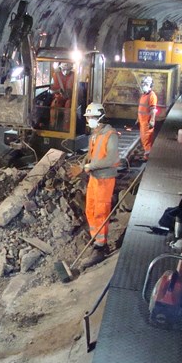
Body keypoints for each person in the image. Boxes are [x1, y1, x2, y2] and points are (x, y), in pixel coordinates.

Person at [67, 103, 120, 268]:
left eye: (92, 117)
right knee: (90, 209)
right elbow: (91, 156)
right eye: (88, 118)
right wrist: (82, 164)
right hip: (94, 179)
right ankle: (96, 239)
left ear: (101, 117)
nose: (89, 120)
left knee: (100, 212)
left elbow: (111, 160)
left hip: (105, 180)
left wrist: (86, 167)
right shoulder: (94, 135)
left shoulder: (110, 135)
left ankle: (101, 246)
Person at [138, 75, 158, 161]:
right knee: (143, 138)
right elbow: (141, 108)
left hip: (147, 122)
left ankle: (147, 156)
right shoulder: (144, 95)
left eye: (146, 84)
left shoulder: (152, 96)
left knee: (147, 140)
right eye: (143, 84)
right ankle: (146, 154)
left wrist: (152, 121)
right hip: (142, 121)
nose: (144, 85)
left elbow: (153, 109)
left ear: (150, 85)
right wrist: (137, 119)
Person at [49, 63, 74, 130]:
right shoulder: (56, 76)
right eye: (64, 69)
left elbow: (78, 90)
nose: (66, 71)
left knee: (68, 106)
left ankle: (66, 128)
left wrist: (70, 92)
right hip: (58, 98)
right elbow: (50, 90)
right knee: (54, 105)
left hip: (70, 98)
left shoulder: (74, 76)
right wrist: (58, 90)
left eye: (68, 69)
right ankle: (52, 125)